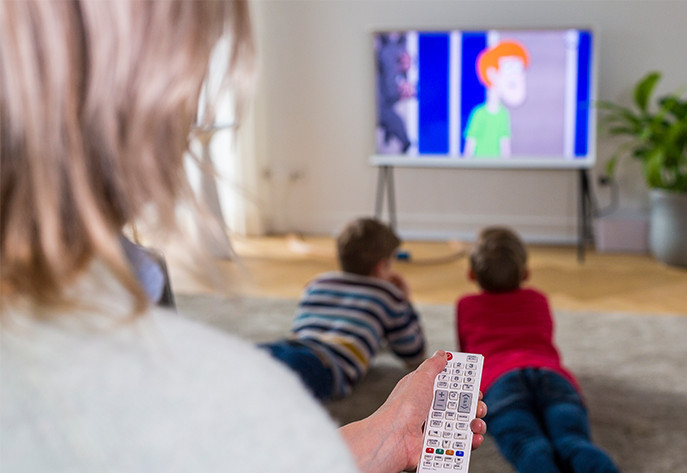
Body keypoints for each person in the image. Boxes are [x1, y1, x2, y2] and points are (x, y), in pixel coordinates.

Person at [0, 2, 485, 472]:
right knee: (270, 385)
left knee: (261, 370)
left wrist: (382, 436)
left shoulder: (318, 284)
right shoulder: (376, 302)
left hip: (293, 343)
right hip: (323, 365)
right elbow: (411, 345)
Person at [456, 227, 620, 473]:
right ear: (526, 273)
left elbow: (468, 360)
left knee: (529, 447)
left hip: (499, 384)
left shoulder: (466, 306)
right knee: (573, 442)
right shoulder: (538, 299)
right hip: (551, 376)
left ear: (471, 274)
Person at [260, 217, 426, 401]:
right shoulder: (387, 293)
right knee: (274, 393)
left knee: (245, 366)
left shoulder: (318, 282)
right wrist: (405, 300)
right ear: (381, 267)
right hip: (325, 365)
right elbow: (413, 353)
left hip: (286, 346)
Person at [463, 40, 530, 159]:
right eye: (510, 69)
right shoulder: (479, 114)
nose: (517, 77)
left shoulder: (503, 114)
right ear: (491, 74)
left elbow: (505, 144)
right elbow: (470, 143)